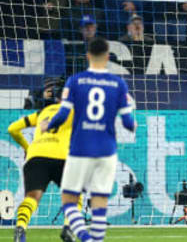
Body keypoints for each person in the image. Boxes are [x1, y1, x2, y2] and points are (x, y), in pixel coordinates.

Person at [42, 37, 136, 242]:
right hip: (107, 151)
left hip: (80, 148)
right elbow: (128, 123)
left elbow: (62, 115)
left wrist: (47, 126)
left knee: (68, 200)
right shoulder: (118, 84)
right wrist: (133, 125)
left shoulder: (75, 81)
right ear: (108, 56)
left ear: (88, 56)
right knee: (100, 202)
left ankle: (86, 238)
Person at [8, 77, 80, 242]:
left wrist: (27, 147)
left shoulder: (42, 113)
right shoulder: (74, 112)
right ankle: (68, 228)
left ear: (56, 98)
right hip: (62, 158)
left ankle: (20, 228)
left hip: (36, 158)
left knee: (32, 198)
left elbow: (12, 129)